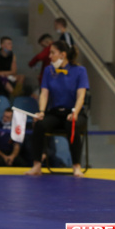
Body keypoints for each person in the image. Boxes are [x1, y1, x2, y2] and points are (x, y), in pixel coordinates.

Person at [26, 41, 88, 177]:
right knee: (39, 124)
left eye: (52, 53)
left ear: (62, 55)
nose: (49, 56)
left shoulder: (80, 71)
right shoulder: (48, 70)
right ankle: (37, 165)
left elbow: (81, 96)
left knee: (71, 124)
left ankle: (76, 166)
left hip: (74, 113)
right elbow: (44, 94)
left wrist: (75, 112)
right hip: (55, 113)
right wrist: (41, 112)